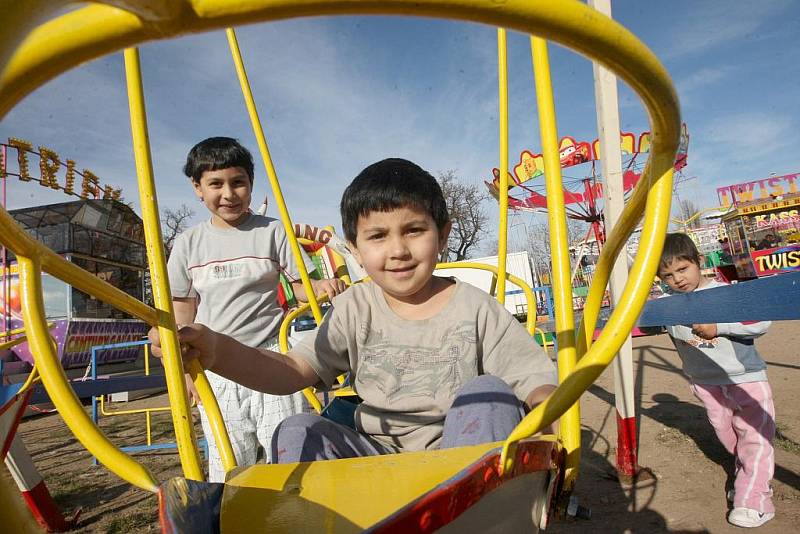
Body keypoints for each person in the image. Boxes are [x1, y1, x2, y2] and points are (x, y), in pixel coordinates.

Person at [152, 157, 557, 466]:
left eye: (414, 230)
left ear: (443, 233)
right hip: (376, 457)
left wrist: (550, 424)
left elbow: (535, 382)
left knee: (491, 394)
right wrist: (215, 349)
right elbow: (290, 372)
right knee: (295, 430)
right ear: (356, 249)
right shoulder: (354, 308)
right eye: (378, 236)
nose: (398, 250)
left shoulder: (474, 307)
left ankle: (475, 512)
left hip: (459, 459)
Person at [167, 137, 346, 482]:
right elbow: (183, 309)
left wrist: (319, 288)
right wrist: (187, 369)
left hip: (269, 357)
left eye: (238, 182)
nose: (229, 194)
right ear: (197, 188)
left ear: (251, 184)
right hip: (216, 363)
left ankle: (290, 514)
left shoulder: (272, 231)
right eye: (216, 184)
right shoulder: (189, 243)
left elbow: (298, 286)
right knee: (229, 458)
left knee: (285, 450)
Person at [654, 233, 776, 528]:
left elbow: (761, 320)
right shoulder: (668, 305)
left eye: (683, 269)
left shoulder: (724, 293)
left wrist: (720, 326)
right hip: (706, 382)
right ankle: (747, 476)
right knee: (728, 435)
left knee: (755, 437)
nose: (678, 280)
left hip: (743, 378)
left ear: (698, 262)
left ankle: (756, 498)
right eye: (668, 276)